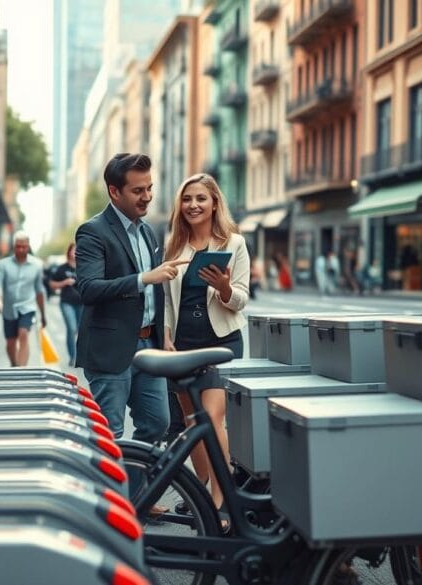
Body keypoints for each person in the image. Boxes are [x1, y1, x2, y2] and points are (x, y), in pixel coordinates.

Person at [74, 152, 187, 443]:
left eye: (150, 188)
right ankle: (108, 475)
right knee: (110, 434)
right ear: (114, 192)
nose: (147, 197)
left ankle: (134, 476)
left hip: (150, 346)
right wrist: (143, 278)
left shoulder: (147, 232)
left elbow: (156, 293)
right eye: (138, 190)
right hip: (111, 350)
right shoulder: (93, 231)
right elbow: (89, 288)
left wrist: (164, 335)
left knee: (158, 424)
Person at [162, 173, 249, 530]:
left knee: (212, 419)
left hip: (221, 343)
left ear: (214, 203)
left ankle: (220, 502)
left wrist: (225, 287)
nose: (193, 205)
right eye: (187, 199)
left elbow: (241, 299)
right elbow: (167, 301)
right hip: (182, 344)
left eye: (200, 198)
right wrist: (166, 334)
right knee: (191, 422)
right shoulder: (174, 245)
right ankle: (200, 493)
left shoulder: (234, 243)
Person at [0, 232, 47, 367]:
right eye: (18, 246)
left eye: (24, 246)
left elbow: (39, 291)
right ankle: (14, 365)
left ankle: (21, 370)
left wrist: (43, 315)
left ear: (28, 246)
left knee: (23, 334)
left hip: (27, 307)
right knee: (10, 343)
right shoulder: (4, 264)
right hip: (9, 309)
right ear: (14, 246)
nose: (21, 249)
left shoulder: (37, 265)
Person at [49, 242, 83, 366]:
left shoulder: (83, 267)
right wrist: (64, 282)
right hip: (67, 303)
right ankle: (73, 357)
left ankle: (81, 356)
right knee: (72, 328)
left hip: (82, 303)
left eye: (77, 250)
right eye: (73, 250)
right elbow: (52, 284)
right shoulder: (62, 268)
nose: (75, 253)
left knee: (81, 330)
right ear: (69, 252)